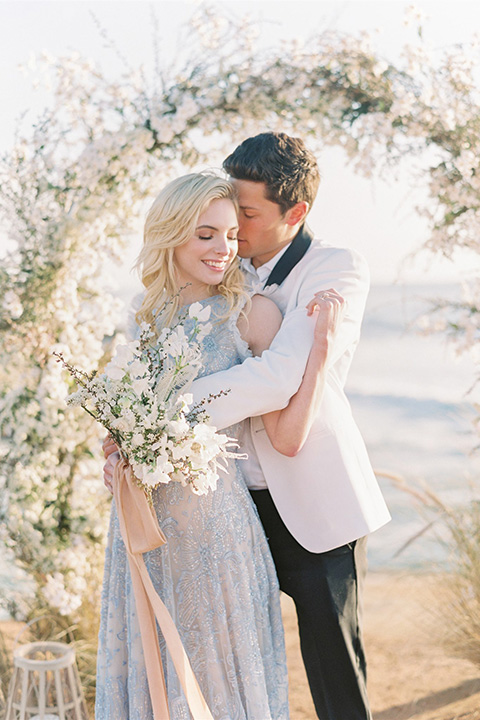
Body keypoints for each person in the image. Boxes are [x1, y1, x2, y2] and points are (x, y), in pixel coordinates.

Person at [98, 172, 344, 720]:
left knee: (216, 687)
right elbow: (119, 428)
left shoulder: (251, 315)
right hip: (143, 531)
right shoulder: (142, 318)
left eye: (231, 235)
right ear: (171, 233)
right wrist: (115, 459)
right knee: (153, 672)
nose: (223, 249)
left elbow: (287, 436)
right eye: (206, 234)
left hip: (218, 536)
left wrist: (320, 351)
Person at [189, 133, 392, 720]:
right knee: (237, 663)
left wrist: (171, 410)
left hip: (313, 502)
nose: (235, 225)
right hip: (230, 504)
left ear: (294, 212)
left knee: (334, 671)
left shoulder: (337, 270)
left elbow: (280, 377)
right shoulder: (220, 264)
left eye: (248, 213)